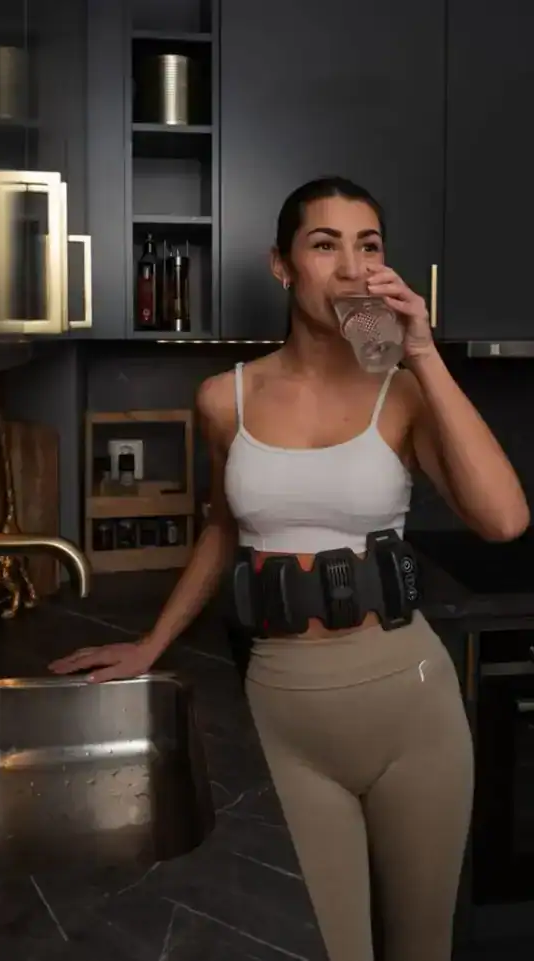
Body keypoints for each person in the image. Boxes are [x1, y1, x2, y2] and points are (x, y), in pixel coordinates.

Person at [49, 177, 529, 961]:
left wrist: (423, 352)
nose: (350, 266)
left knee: (422, 950)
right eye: (324, 243)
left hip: (414, 708)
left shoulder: (401, 390)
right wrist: (151, 643)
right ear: (281, 265)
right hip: (284, 715)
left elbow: (504, 520)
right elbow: (221, 528)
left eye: (367, 245)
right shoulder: (223, 398)